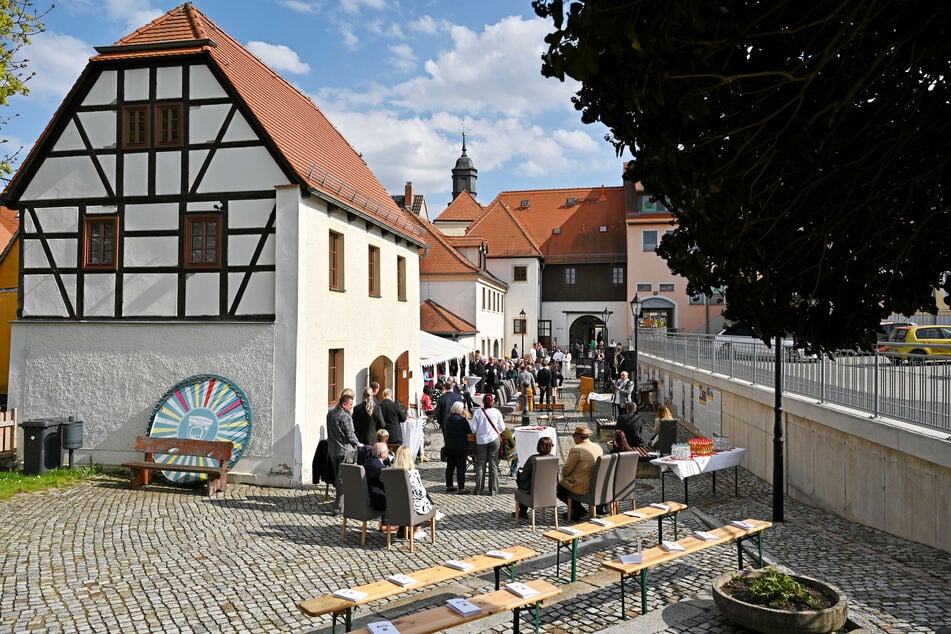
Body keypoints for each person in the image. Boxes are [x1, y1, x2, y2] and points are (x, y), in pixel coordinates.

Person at [392, 446, 442, 539]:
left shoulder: (390, 472)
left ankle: (402, 530)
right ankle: (418, 530)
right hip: (412, 507)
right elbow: (420, 492)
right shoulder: (412, 473)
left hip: (395, 507)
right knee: (419, 500)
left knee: (404, 500)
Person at [556, 425, 603, 521]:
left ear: (577, 437)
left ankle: (578, 510)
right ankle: (577, 509)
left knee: (558, 489)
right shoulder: (598, 447)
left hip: (582, 486)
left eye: (573, 436)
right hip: (596, 484)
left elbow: (565, 472)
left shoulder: (577, 449)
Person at [326, 388, 359, 515]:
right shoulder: (346, 417)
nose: (351, 407)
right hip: (346, 451)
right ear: (344, 405)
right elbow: (350, 436)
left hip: (333, 450)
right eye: (350, 405)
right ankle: (340, 507)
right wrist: (359, 444)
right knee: (343, 480)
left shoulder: (330, 414)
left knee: (338, 479)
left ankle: (341, 505)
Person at [469, 394, 503, 496]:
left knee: (481, 463)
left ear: (483, 402)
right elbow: (502, 428)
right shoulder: (497, 412)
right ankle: (493, 490)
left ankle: (479, 489)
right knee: (493, 464)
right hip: (494, 439)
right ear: (492, 402)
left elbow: (473, 429)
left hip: (481, 440)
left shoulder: (478, 412)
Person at [514, 435, 554, 517]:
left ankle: (523, 511)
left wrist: (520, 473)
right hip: (549, 491)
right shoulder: (554, 459)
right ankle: (523, 510)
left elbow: (523, 476)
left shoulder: (532, 459)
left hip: (532, 490)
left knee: (520, 479)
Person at [443, 400, 471, 494]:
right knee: (461, 468)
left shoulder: (447, 418)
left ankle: (449, 485)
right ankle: (461, 487)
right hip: (461, 447)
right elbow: (469, 431)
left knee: (450, 467)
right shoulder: (462, 420)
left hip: (449, 445)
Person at [364, 442, 389, 512]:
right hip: (377, 499)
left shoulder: (368, 461)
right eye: (387, 451)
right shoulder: (380, 468)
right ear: (382, 454)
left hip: (368, 495)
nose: (388, 452)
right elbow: (388, 484)